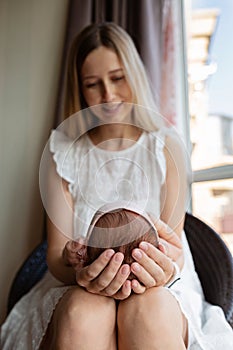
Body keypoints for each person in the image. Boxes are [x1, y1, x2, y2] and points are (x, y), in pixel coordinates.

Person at [1, 22, 232, 350]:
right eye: (93, 84)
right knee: (84, 314)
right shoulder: (62, 153)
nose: (107, 95)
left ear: (134, 75)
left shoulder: (166, 147)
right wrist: (78, 270)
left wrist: (161, 268)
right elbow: (56, 256)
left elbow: (174, 244)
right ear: (79, 89)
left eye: (117, 78)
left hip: (161, 285)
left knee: (149, 310)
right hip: (77, 287)